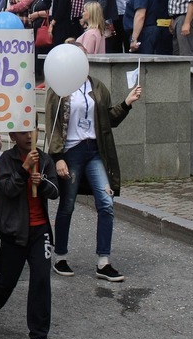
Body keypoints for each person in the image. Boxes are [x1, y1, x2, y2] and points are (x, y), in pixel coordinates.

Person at [45, 72, 142, 282]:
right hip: (71, 151)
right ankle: (60, 256)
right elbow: (51, 125)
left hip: (95, 151)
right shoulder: (59, 87)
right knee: (67, 204)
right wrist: (58, 157)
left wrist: (127, 102)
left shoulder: (97, 86)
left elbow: (108, 120)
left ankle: (103, 262)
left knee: (106, 203)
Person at [0, 130, 60, 339]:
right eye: (22, 132)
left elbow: (54, 192)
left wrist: (42, 182)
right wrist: (24, 170)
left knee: (42, 279)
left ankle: (39, 337)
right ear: (13, 136)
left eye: (31, 131)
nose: (28, 136)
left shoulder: (44, 159)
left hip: (40, 230)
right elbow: (7, 189)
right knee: (6, 281)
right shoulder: (7, 159)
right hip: (15, 233)